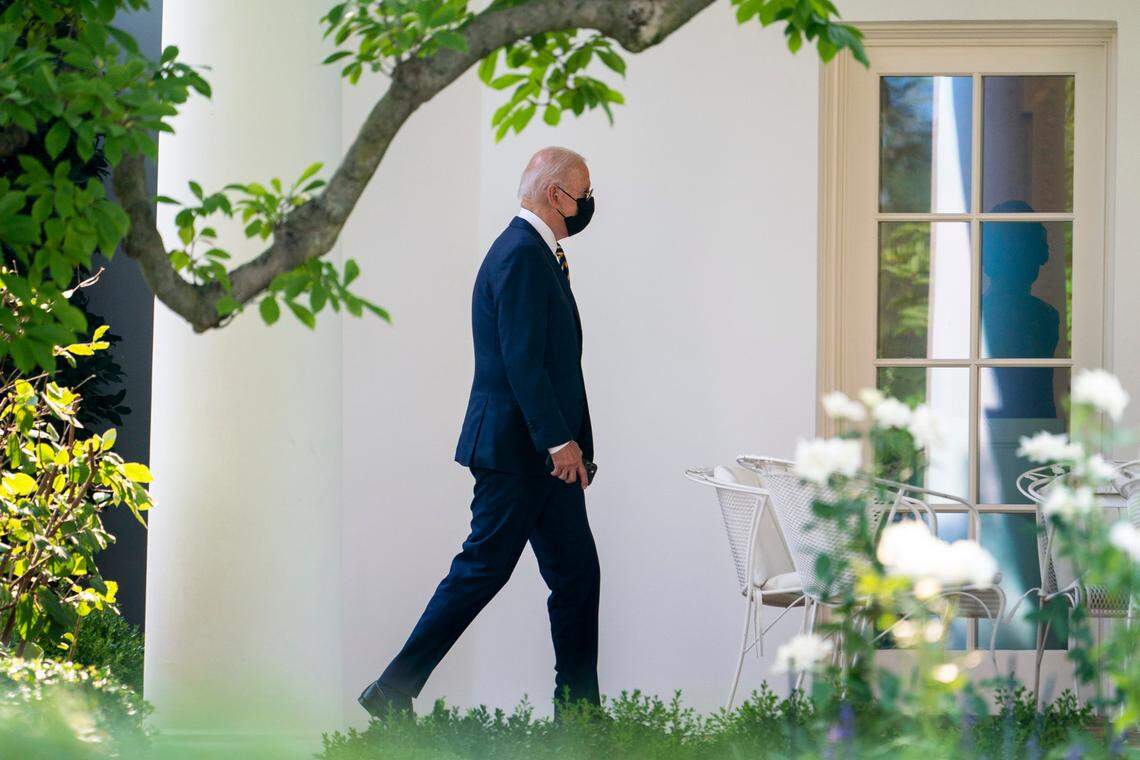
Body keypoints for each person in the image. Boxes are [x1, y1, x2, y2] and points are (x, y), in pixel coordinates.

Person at [358, 146, 601, 718]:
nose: (589, 202)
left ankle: (580, 715)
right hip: (522, 453)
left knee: (578, 577)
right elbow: (523, 361)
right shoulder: (519, 254)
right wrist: (558, 441)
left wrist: (571, 443)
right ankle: (392, 689)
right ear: (554, 194)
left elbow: (554, 360)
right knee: (481, 570)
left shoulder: (541, 254)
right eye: (583, 192)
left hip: (545, 455)